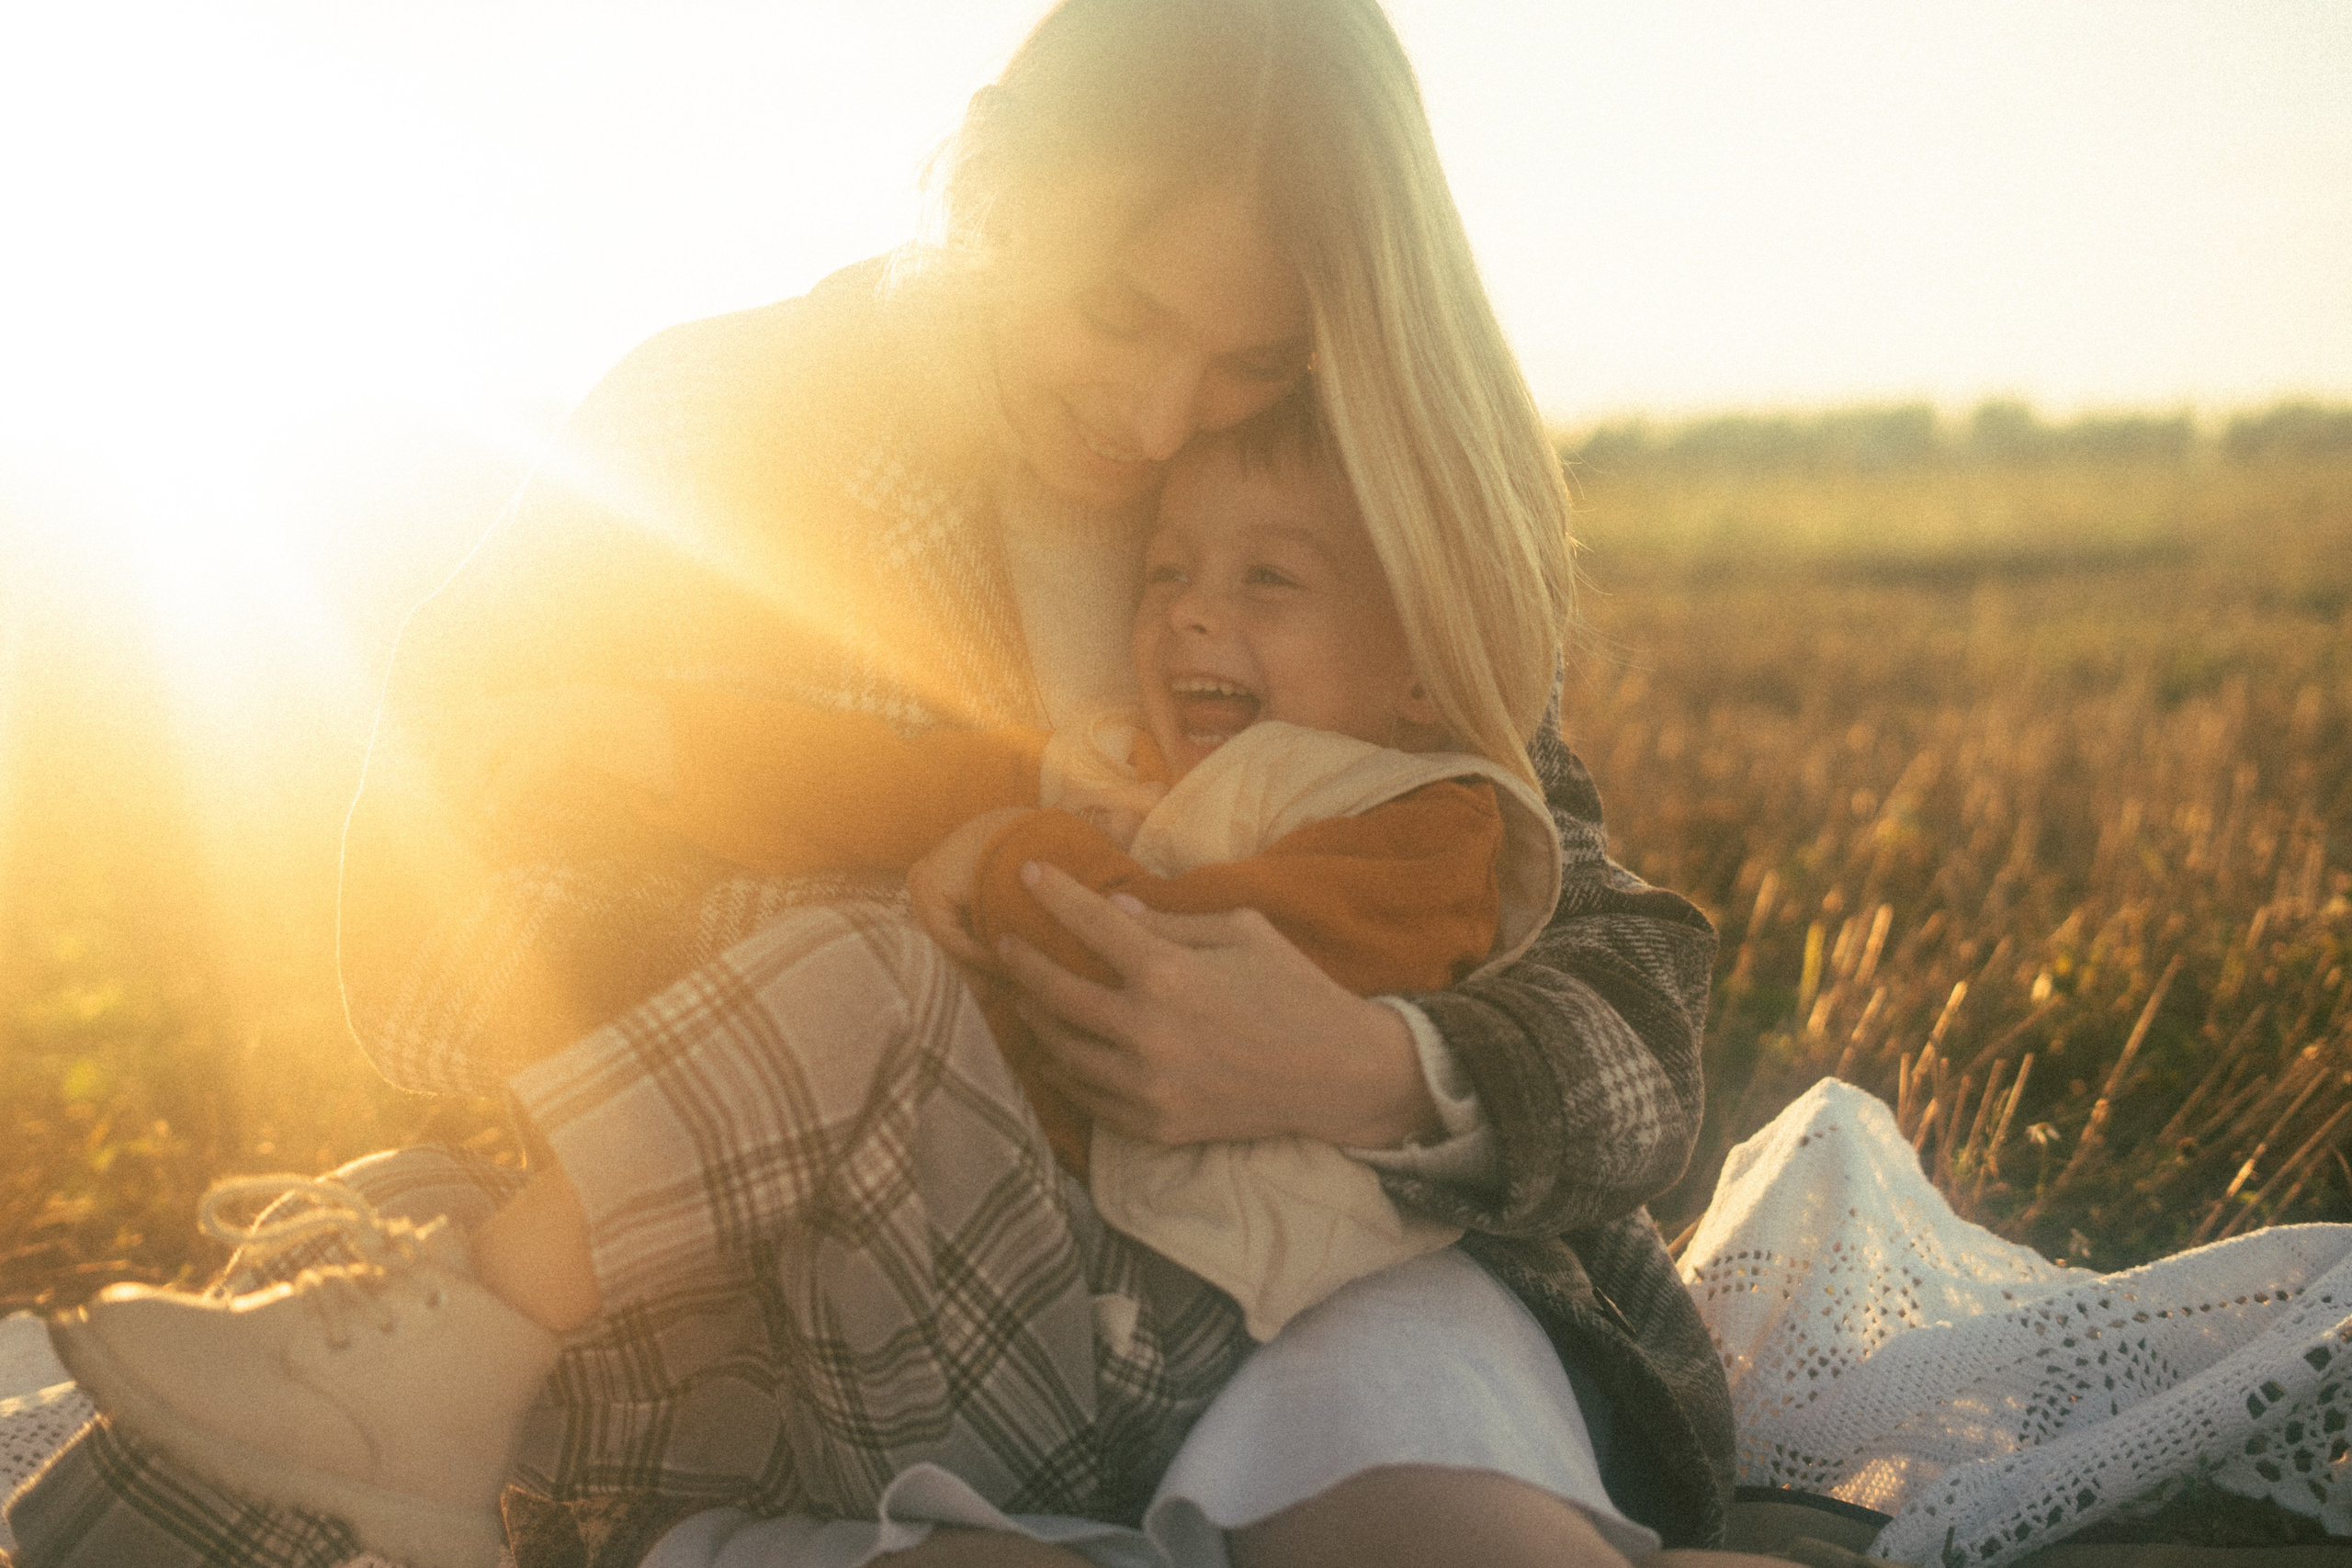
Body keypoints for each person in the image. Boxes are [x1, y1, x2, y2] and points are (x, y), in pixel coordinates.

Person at [6, 3, 1735, 1565]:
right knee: (209, 1483)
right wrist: (926, 991)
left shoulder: (1337, 496)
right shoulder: (712, 439)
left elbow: (1636, 1008)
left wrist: (1384, 1065)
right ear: (994, 174)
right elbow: (423, 950)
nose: (1156, 418)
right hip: (837, 1300)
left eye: (1249, 360)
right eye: (1120, 312)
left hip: (1330, 1291)